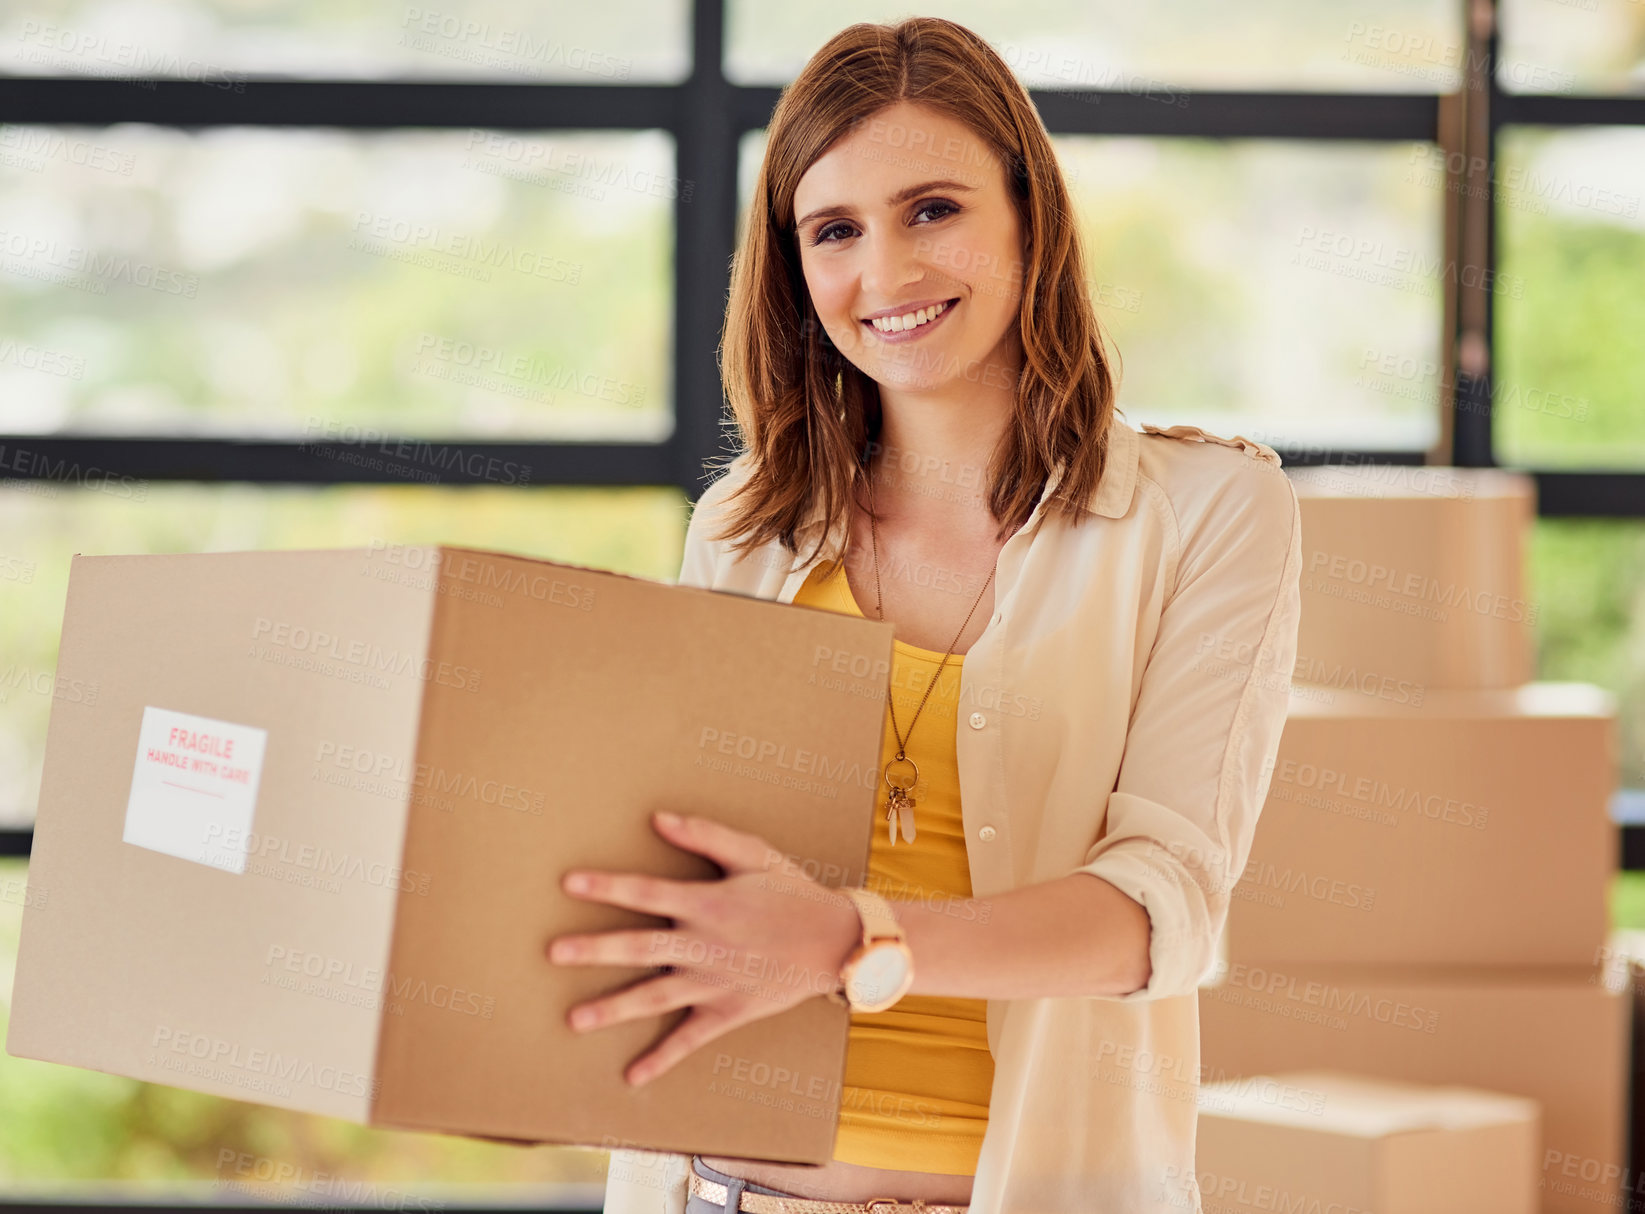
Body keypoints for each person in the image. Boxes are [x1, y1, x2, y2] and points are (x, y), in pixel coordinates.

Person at [548, 16, 1303, 1214]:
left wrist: (852, 938)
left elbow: (1162, 915)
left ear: (1027, 216)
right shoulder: (745, 525)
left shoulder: (1208, 509)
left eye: (933, 209)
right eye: (834, 230)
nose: (885, 274)